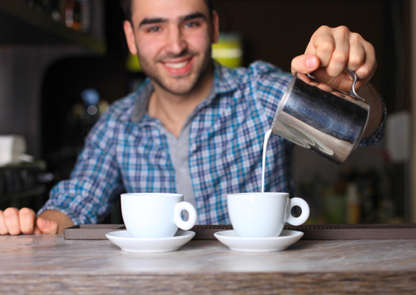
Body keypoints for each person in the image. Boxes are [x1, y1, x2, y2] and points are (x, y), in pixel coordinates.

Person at [0, 0, 385, 235]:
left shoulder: (257, 91)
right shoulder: (117, 124)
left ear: (214, 27)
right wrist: (37, 226)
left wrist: (350, 84)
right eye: (154, 27)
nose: (176, 45)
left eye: (191, 22)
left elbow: (365, 130)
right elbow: (76, 200)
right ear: (131, 38)